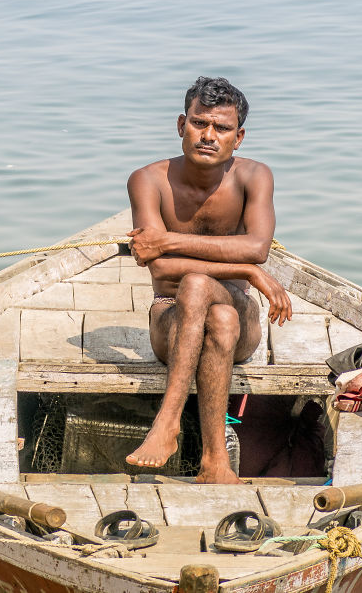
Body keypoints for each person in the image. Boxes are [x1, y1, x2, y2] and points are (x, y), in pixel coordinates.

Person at [125, 76, 292, 484]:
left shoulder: (254, 176)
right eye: (199, 123)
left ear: (239, 137)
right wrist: (247, 270)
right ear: (181, 125)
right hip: (170, 316)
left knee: (204, 290)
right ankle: (215, 460)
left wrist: (168, 240)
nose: (209, 136)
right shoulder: (147, 180)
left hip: (239, 309)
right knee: (215, 312)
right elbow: (161, 270)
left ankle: (168, 422)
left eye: (222, 128)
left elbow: (257, 248)